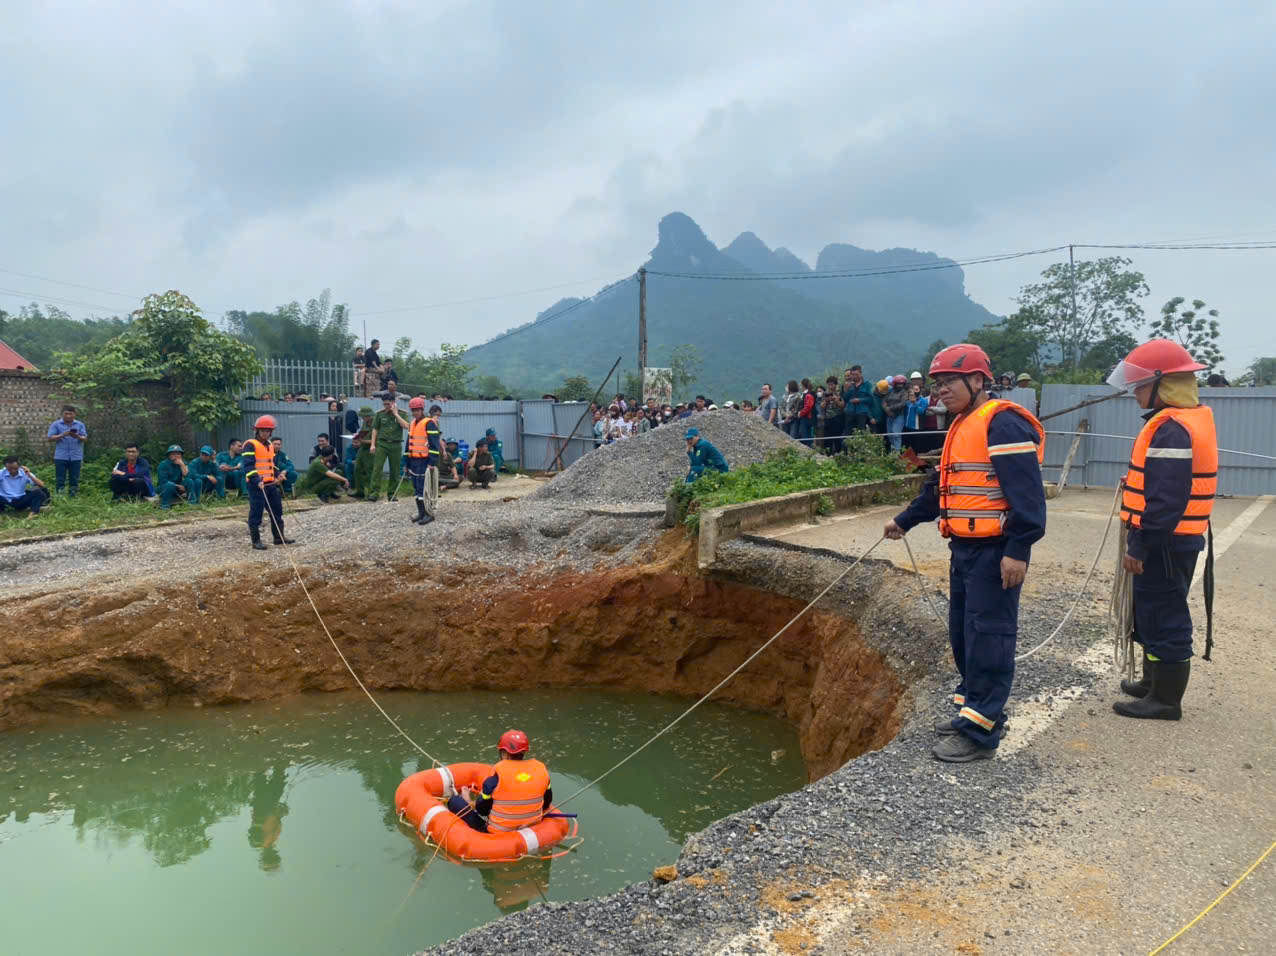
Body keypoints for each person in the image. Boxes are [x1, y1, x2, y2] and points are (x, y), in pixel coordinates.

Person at [884, 343, 1046, 763]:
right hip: (965, 549)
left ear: (977, 381)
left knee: (990, 637)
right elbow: (941, 488)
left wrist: (1019, 548)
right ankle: (976, 709)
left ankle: (979, 733)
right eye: (936, 384)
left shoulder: (1003, 425)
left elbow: (1028, 497)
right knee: (965, 634)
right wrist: (904, 520)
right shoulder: (961, 425)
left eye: (947, 382)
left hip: (995, 552)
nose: (939, 391)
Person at [1108, 340, 1217, 721]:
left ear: (1162, 384)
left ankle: (1166, 700)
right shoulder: (1179, 421)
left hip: (1166, 542)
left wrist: (1139, 545)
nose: (1134, 391)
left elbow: (1166, 500)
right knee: (1151, 610)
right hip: (1172, 540)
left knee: (1164, 614)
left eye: (1140, 384)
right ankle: (1154, 682)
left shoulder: (1171, 428)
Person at [445, 730, 552, 834]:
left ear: (504, 754)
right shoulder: (542, 773)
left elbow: (482, 811)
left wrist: (468, 800)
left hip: (498, 833)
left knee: (455, 801)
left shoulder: (493, 781)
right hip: (530, 827)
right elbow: (547, 803)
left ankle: (465, 799)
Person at [243, 415, 293, 550]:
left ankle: (279, 538)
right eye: (263, 430)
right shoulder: (250, 445)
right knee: (256, 513)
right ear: (257, 431)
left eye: (268, 430)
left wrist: (278, 474)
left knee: (277, 511)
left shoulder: (270, 445)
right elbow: (248, 466)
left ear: (271, 432)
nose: (265, 433)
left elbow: (271, 464)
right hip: (257, 486)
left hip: (270, 485)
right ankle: (256, 541)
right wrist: (256, 480)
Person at [405, 399, 443, 525]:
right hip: (414, 461)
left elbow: (434, 445)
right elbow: (408, 444)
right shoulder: (412, 424)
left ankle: (428, 514)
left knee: (424, 488)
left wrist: (432, 462)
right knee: (416, 488)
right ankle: (421, 513)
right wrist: (406, 463)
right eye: (413, 410)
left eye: (417, 410)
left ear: (422, 409)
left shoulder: (429, 423)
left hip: (424, 461)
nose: (415, 412)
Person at [367, 394, 409, 502]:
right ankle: (374, 493)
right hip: (382, 444)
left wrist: (396, 415)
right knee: (377, 469)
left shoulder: (402, 413)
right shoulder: (379, 414)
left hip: (396, 445)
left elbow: (406, 426)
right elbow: (375, 429)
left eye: (388, 404)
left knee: (394, 471)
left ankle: (392, 494)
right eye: (384, 404)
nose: (386, 406)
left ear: (393, 402)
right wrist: (372, 444)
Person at [46, 405, 87, 497]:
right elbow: (50, 438)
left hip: (76, 456)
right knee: (60, 479)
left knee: (74, 479)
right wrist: (63, 435)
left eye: (70, 414)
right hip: (61, 456)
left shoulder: (80, 424)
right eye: (66, 414)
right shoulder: (56, 424)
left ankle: (72, 497)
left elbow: (85, 438)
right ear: (62, 414)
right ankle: (60, 497)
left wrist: (77, 436)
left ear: (74, 414)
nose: (68, 416)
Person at [842, 366, 875, 432]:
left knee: (861, 432)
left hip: (862, 413)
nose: (854, 376)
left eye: (856, 374)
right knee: (848, 432)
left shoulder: (867, 385)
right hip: (849, 412)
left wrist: (859, 400)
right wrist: (846, 390)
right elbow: (845, 399)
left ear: (860, 374)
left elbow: (870, 399)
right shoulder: (849, 385)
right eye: (853, 374)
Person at [882, 375, 911, 452]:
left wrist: (890, 408)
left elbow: (902, 404)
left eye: (902, 384)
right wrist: (887, 410)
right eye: (898, 384)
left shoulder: (904, 393)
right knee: (889, 435)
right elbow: (884, 401)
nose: (900, 385)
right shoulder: (890, 391)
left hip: (899, 416)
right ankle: (893, 451)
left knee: (896, 434)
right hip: (889, 416)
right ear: (894, 384)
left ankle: (897, 453)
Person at [822, 376, 846, 454]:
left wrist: (835, 400)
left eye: (832, 384)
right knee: (827, 438)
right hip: (828, 418)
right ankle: (828, 455)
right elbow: (822, 406)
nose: (830, 386)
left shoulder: (840, 392)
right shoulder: (826, 393)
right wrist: (826, 401)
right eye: (829, 384)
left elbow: (843, 405)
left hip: (838, 417)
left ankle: (838, 454)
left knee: (837, 438)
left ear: (836, 384)